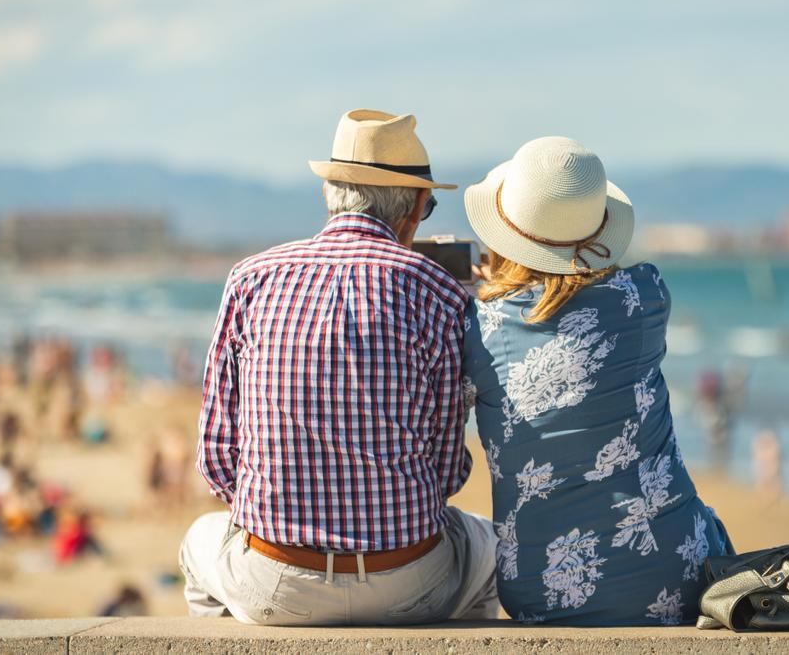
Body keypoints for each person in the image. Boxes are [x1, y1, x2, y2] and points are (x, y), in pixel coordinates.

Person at [179, 109, 497, 626]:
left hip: (276, 583)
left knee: (199, 542)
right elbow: (446, 473)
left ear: (329, 192)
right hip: (408, 582)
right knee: (485, 547)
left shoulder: (250, 279)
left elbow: (217, 462)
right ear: (417, 207)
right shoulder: (439, 293)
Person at [461, 137, 732, 625]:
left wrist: (488, 289)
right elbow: (577, 298)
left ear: (505, 233)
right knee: (708, 522)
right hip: (674, 573)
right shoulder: (645, 296)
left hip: (541, 590)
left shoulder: (478, 327)